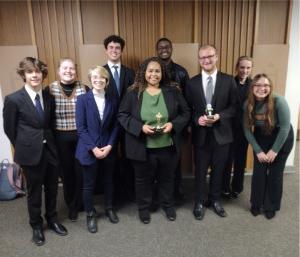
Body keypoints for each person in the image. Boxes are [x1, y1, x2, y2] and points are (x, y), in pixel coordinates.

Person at [3, 57, 67, 246]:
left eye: (38, 72)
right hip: (30, 154)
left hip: (51, 151)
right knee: (34, 192)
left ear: (43, 74)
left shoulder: (48, 96)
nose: (35, 75)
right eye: (30, 72)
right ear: (23, 75)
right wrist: (26, 145)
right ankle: (36, 226)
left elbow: (49, 124)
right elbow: (10, 129)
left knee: (53, 188)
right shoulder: (13, 99)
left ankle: (53, 219)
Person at [118, 57, 190, 224]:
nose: (154, 74)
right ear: (144, 73)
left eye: (157, 71)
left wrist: (173, 124)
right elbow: (122, 115)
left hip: (168, 145)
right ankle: (144, 208)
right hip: (142, 146)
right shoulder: (133, 93)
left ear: (162, 73)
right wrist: (140, 128)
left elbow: (186, 112)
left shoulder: (173, 91)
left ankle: (168, 205)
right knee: (143, 179)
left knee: (167, 177)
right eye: (150, 71)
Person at [185, 45, 237, 220]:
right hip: (201, 135)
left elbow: (234, 107)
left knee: (219, 170)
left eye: (210, 56)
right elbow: (188, 109)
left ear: (216, 57)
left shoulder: (229, 81)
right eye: (202, 58)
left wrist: (220, 116)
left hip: (222, 135)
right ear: (199, 60)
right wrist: (196, 119)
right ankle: (199, 201)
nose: (206, 60)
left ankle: (215, 200)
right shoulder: (191, 83)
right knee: (200, 170)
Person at [243, 73, 294, 219]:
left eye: (266, 85)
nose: (262, 88)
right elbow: (246, 129)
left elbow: (284, 128)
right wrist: (258, 150)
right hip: (261, 137)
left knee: (275, 174)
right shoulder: (247, 104)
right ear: (252, 87)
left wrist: (274, 150)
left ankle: (271, 205)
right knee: (259, 173)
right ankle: (256, 204)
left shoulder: (279, 101)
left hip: (282, 138)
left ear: (270, 87)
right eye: (258, 85)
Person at [75, 66, 120, 233]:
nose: (98, 80)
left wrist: (109, 146)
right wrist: (94, 148)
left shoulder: (113, 100)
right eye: (95, 77)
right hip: (88, 149)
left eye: (102, 78)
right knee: (89, 185)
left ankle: (109, 208)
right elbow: (81, 128)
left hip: (108, 148)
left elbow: (116, 125)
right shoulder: (82, 100)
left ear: (107, 81)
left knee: (109, 181)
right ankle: (90, 214)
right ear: (90, 79)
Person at [48, 58, 89, 222]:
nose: (68, 71)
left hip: (81, 137)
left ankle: (81, 203)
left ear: (76, 71)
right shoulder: (49, 89)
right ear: (58, 70)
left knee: (81, 171)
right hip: (60, 137)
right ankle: (72, 205)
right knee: (66, 173)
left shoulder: (84, 88)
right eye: (65, 68)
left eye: (72, 68)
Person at [156, 37, 190, 202]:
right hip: (155, 122)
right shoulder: (151, 69)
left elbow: (188, 100)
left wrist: (186, 125)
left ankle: (176, 191)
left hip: (176, 123)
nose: (164, 49)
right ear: (157, 50)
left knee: (175, 160)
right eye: (161, 47)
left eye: (167, 47)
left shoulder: (181, 72)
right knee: (156, 161)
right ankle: (158, 194)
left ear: (171, 49)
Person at [103, 35, 135, 202]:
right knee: (111, 159)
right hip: (107, 124)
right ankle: (113, 195)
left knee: (130, 157)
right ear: (106, 50)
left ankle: (130, 191)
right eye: (111, 48)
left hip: (128, 122)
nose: (114, 51)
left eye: (117, 48)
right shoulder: (99, 73)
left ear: (121, 51)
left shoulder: (130, 73)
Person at [222, 56, 253, 199]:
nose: (245, 70)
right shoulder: (228, 82)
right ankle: (224, 187)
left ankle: (237, 187)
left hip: (244, 129)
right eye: (242, 67)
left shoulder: (254, 85)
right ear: (237, 68)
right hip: (228, 127)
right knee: (227, 159)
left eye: (248, 68)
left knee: (240, 160)